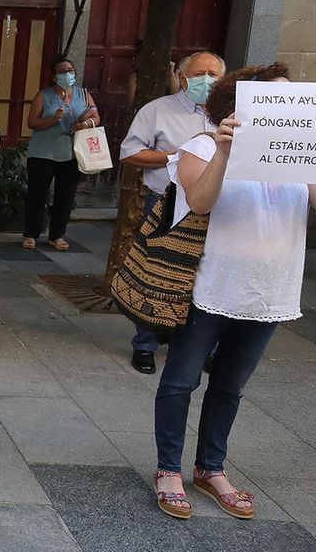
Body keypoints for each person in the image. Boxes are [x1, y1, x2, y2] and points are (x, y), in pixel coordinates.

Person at [150, 64, 316, 520]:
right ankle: (168, 470)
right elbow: (201, 201)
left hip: (268, 291)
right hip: (209, 285)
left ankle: (211, 468)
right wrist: (225, 152)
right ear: (243, 103)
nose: (288, 106)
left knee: (230, 385)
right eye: (277, 98)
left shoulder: (299, 154)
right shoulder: (202, 146)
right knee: (181, 380)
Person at [118, 50, 225, 374]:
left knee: (208, 277)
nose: (206, 80)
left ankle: (203, 347)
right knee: (157, 274)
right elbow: (130, 153)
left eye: (214, 75)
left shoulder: (232, 115)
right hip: (167, 204)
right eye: (199, 74)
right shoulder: (157, 110)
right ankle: (146, 344)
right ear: (181, 77)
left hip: (219, 209)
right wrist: (179, 156)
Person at [23, 56, 100, 251]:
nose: (68, 75)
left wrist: (84, 124)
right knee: (37, 195)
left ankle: (57, 235)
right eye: (63, 72)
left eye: (70, 71)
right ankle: (31, 234)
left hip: (71, 154)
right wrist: (53, 119)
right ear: (54, 77)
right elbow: (32, 122)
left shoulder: (83, 95)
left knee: (65, 196)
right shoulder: (44, 96)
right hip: (43, 153)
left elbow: (96, 117)